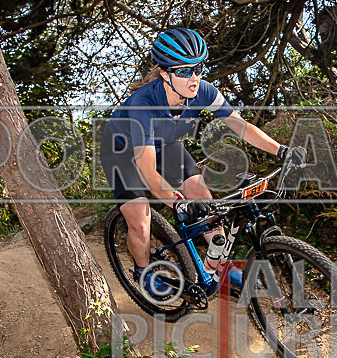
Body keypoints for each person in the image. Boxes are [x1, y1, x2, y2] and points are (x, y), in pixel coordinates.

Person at [99, 28, 302, 297]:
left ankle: (221, 267)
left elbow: (240, 126)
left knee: (206, 202)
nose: (194, 77)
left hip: (164, 145)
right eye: (184, 71)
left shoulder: (204, 91)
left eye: (198, 68)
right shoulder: (143, 105)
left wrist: (281, 151)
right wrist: (178, 203)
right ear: (164, 73)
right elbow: (147, 170)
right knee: (140, 220)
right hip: (121, 153)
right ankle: (144, 272)